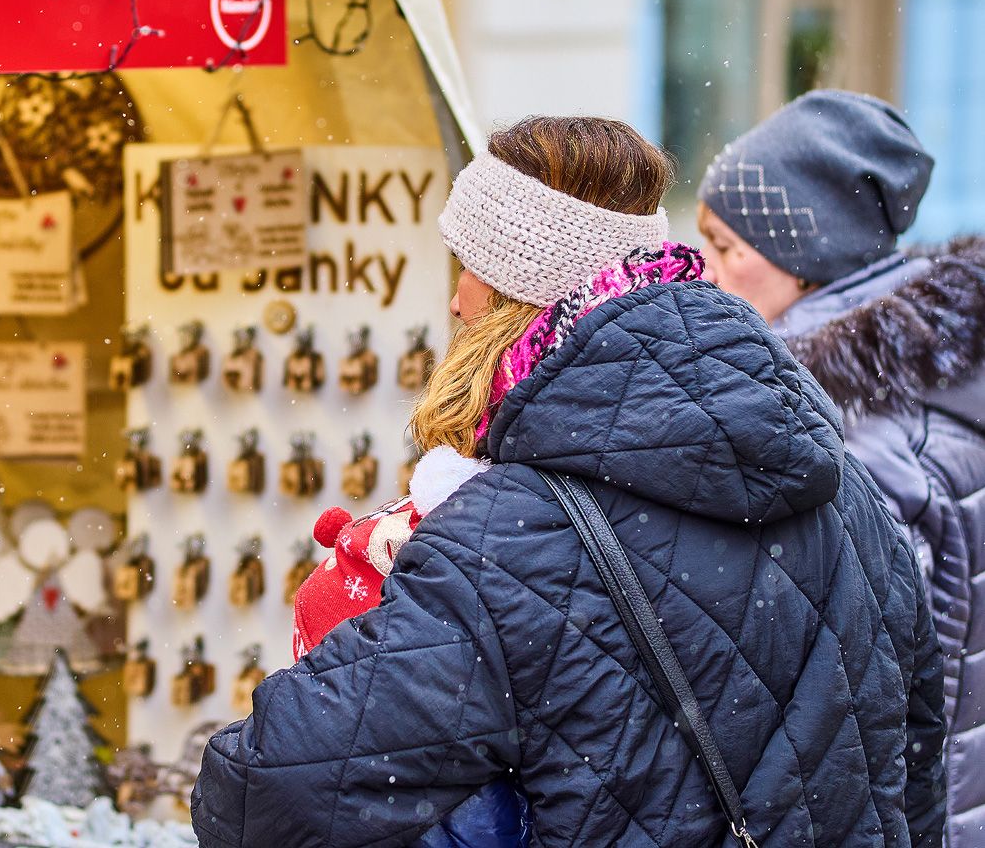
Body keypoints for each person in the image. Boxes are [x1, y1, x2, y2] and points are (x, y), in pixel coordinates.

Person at [191, 116, 945, 847]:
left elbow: (258, 795)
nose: (456, 298)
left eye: (473, 268)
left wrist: (356, 608)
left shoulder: (503, 540)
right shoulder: (847, 490)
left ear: (523, 297)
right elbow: (914, 772)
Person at [697, 88, 981, 845]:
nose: (710, 273)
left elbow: (855, 699)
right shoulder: (922, 383)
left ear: (807, 259)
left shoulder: (856, 443)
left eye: (729, 247)